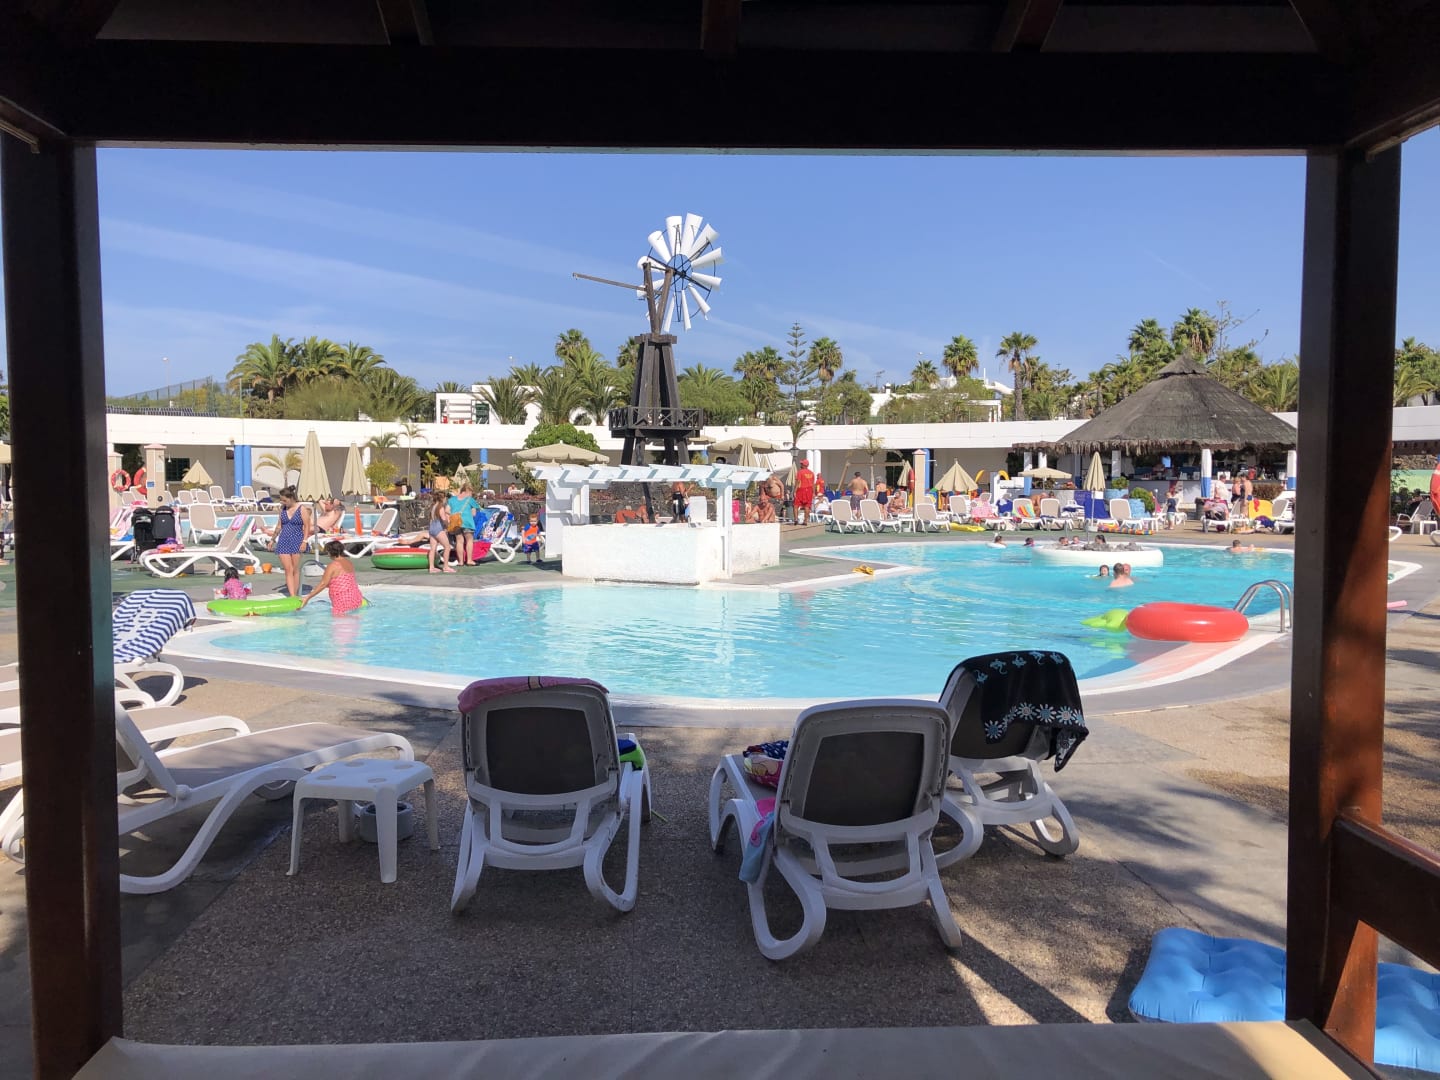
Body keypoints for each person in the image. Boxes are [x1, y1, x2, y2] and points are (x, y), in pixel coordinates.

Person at [267, 486, 312, 599]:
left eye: (284, 500)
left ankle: (295, 594)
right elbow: (279, 526)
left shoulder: (301, 509)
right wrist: (272, 539)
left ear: (291, 498)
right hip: (283, 540)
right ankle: (292, 596)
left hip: (297, 540)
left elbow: (307, 526)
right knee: (288, 569)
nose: (282, 502)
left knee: (295, 569)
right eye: (281, 500)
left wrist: (305, 541)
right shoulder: (282, 509)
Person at [301, 540, 366, 615]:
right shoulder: (349, 563)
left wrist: (308, 597)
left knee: (340, 621)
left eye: (328, 552)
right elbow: (342, 581)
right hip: (355, 597)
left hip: (342, 600)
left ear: (331, 552)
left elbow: (323, 584)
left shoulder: (333, 566)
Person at [448, 483, 479, 565]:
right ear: (467, 491)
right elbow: (474, 514)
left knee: (459, 541)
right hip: (467, 522)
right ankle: (469, 560)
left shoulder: (452, 500)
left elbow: (447, 510)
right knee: (469, 540)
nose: (471, 494)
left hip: (456, 523)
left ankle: (460, 561)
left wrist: (454, 515)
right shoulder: (470, 500)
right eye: (471, 492)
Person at [428, 490, 457, 573]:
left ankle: (431, 567)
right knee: (447, 547)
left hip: (432, 528)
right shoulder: (440, 507)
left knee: (433, 549)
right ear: (442, 498)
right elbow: (444, 519)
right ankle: (446, 567)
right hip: (438, 529)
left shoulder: (433, 507)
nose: (446, 499)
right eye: (445, 498)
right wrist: (448, 525)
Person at [793, 459, 816, 526]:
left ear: (803, 465)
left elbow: (798, 482)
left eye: (801, 464)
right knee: (807, 506)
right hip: (809, 490)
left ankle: (796, 519)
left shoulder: (800, 472)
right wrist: (813, 493)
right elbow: (813, 484)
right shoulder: (812, 473)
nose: (800, 465)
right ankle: (805, 521)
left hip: (801, 489)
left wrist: (795, 491)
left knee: (796, 505)